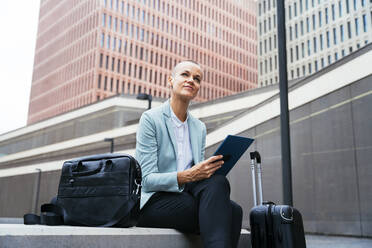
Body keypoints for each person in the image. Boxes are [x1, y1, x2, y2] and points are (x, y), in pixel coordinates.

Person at [135, 60, 243, 248]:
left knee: (223, 189)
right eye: (185, 75)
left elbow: (198, 178)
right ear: (171, 80)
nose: (191, 80)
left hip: (185, 195)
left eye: (197, 78)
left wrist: (205, 171)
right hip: (154, 200)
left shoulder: (199, 127)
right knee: (229, 212)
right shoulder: (151, 119)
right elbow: (147, 180)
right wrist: (189, 175)